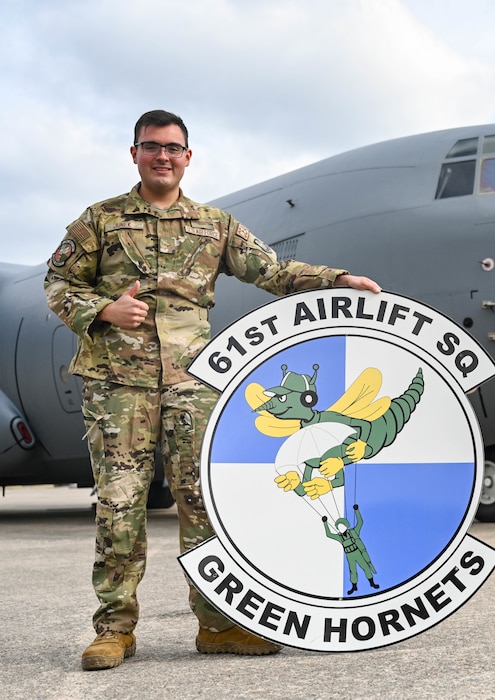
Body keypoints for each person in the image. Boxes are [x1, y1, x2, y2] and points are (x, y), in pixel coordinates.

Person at [43, 110, 382, 671]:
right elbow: (57, 282)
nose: (163, 157)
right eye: (152, 147)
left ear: (188, 157)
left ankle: (219, 624)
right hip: (116, 386)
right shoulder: (98, 221)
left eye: (173, 148)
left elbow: (271, 270)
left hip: (191, 387)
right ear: (134, 154)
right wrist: (102, 308)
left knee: (204, 505)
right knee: (119, 505)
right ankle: (114, 629)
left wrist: (337, 278)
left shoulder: (214, 225)